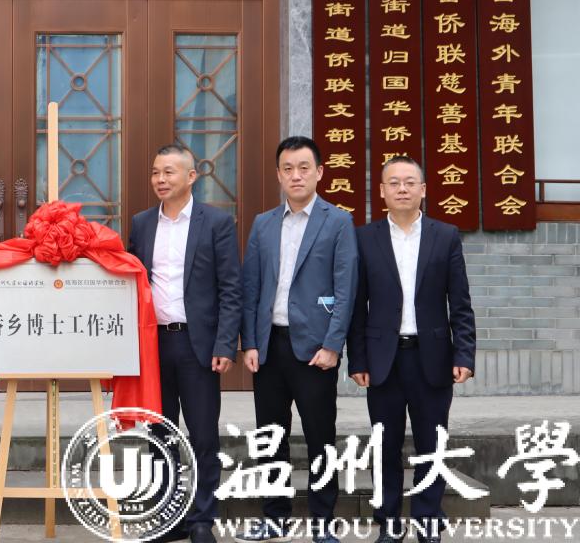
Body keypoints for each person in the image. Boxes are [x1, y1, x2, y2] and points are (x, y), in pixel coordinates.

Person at [347, 156, 476, 543]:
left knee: (431, 443)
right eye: (394, 182)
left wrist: (464, 354)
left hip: (432, 357)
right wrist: (358, 359)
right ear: (382, 191)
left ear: (423, 189)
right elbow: (357, 306)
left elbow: (460, 303)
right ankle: (389, 521)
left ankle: (427, 519)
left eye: (409, 182)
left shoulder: (445, 235)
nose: (402, 189)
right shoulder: (364, 238)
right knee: (384, 445)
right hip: (383, 359)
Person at [238, 135, 357, 543]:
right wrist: (250, 342)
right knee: (271, 437)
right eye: (288, 169)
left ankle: (323, 521)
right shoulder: (264, 223)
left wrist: (333, 346)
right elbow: (251, 286)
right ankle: (275, 517)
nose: (296, 175)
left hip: (315, 350)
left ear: (319, 172)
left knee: (321, 438)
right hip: (269, 346)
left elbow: (346, 290)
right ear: (278, 175)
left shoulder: (338, 222)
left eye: (304, 168)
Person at [127, 144, 241, 543]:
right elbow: (132, 282)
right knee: (159, 433)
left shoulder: (216, 223)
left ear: (191, 177)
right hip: (154, 344)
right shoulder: (142, 223)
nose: (160, 179)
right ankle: (168, 515)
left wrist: (225, 345)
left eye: (169, 172)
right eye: (155, 172)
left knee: (203, 435)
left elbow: (231, 288)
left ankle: (203, 518)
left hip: (199, 346)